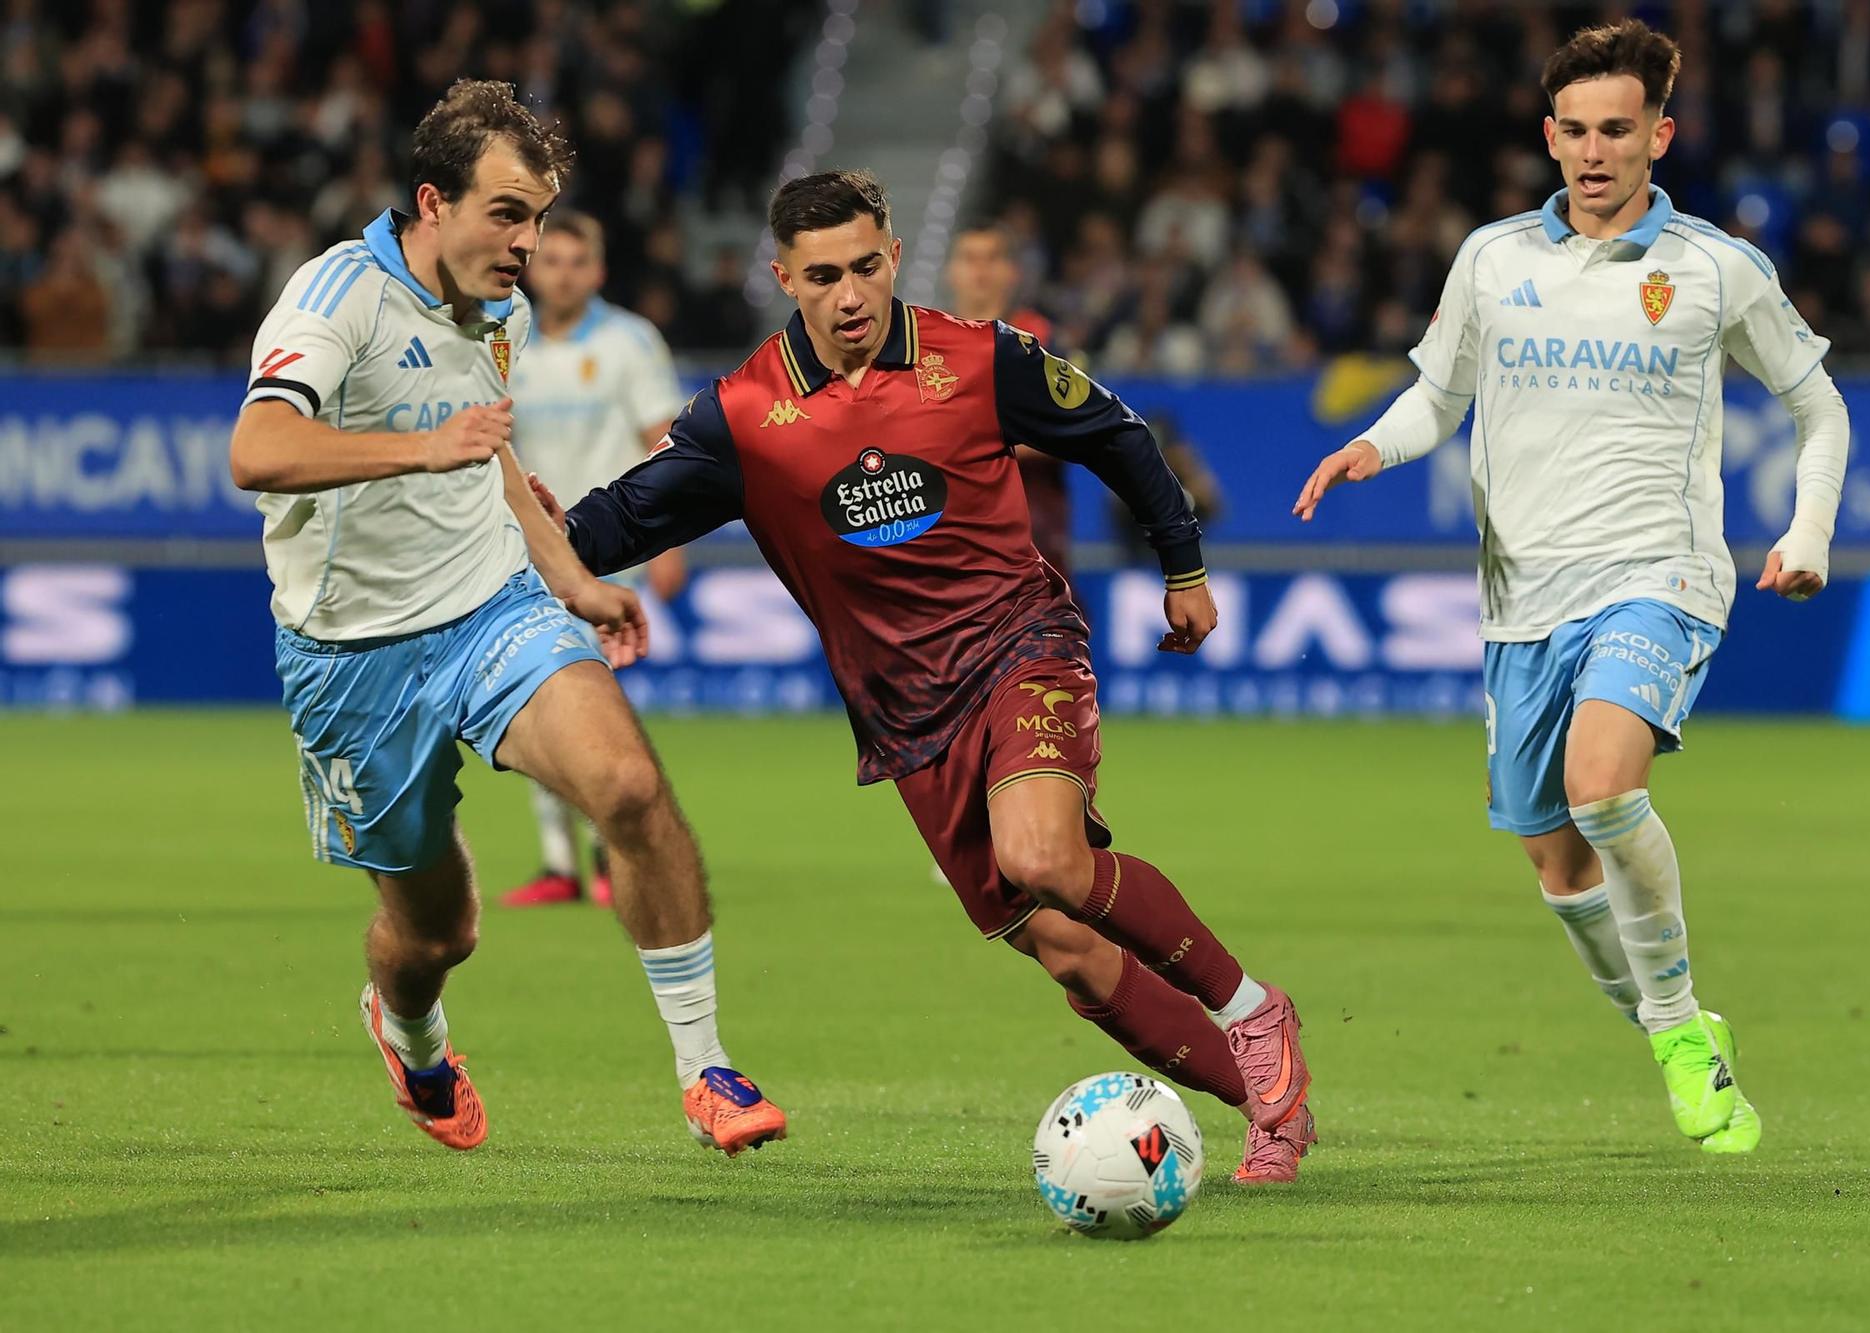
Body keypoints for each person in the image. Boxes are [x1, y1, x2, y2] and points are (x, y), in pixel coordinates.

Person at [535, 171, 1316, 1184]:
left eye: (866, 266)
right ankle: (1265, 1103)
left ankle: (1255, 1013)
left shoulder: (980, 359)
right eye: (823, 276)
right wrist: (534, 535)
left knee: (1043, 855)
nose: (850, 294)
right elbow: (613, 523)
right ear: (784, 278)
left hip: (1020, 645)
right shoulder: (743, 414)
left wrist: (1183, 564)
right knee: (1067, 949)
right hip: (906, 721)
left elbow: (1118, 435)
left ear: (892, 255)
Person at [1294, 20, 1850, 1155]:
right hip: (1521, 600)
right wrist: (1371, 447)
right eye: (1576, 131)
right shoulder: (1493, 258)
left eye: (1618, 129)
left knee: (1603, 788)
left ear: (1659, 133)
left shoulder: (1712, 267)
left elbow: (1818, 406)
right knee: (1555, 861)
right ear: (1549, 137)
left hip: (1659, 575)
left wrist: (1805, 534)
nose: (1595, 151)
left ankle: (1678, 1036)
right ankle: (1676, 1024)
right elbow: (1434, 398)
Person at [228, 80, 785, 1157]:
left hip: (489, 605)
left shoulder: (501, 308)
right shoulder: (333, 297)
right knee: (438, 930)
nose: (526, 241)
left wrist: (571, 576)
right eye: (507, 213)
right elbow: (256, 452)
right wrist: (418, 446)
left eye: (537, 218)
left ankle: (704, 1065)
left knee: (627, 784)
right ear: (431, 201)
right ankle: (410, 1033)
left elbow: (493, 463)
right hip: (351, 659)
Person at [501, 211, 690, 906]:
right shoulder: (504, 340)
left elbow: (666, 447)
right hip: (527, 554)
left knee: (579, 703)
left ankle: (604, 856)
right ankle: (566, 860)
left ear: (599, 271)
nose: (563, 273)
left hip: (613, 553)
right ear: (530, 266)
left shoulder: (629, 342)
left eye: (578, 261)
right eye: (552, 261)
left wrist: (668, 540)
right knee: (541, 700)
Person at [946, 220, 1072, 588]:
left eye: (992, 258)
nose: (980, 270)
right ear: (951, 271)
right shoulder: (926, 349)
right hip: (955, 541)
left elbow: (1066, 430)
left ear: (1012, 271)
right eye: (969, 259)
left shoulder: (1041, 341)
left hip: (1033, 539)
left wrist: (968, 446)